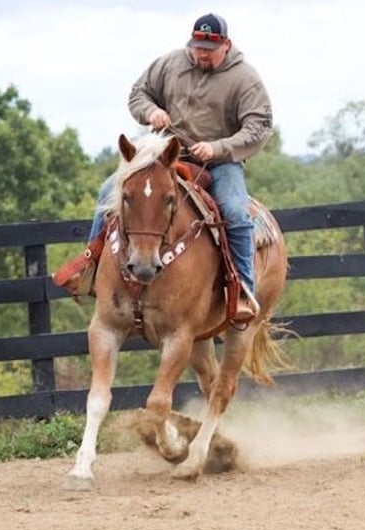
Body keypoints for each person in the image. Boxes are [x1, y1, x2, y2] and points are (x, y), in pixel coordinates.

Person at [53, 13, 273, 322]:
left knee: (235, 212)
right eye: (198, 47)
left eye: (209, 49)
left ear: (227, 45)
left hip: (220, 162)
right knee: (109, 190)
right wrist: (151, 111)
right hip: (165, 155)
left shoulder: (244, 78)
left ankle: (241, 291)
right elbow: (137, 94)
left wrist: (217, 147)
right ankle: (92, 266)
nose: (202, 54)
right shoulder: (171, 64)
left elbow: (258, 127)